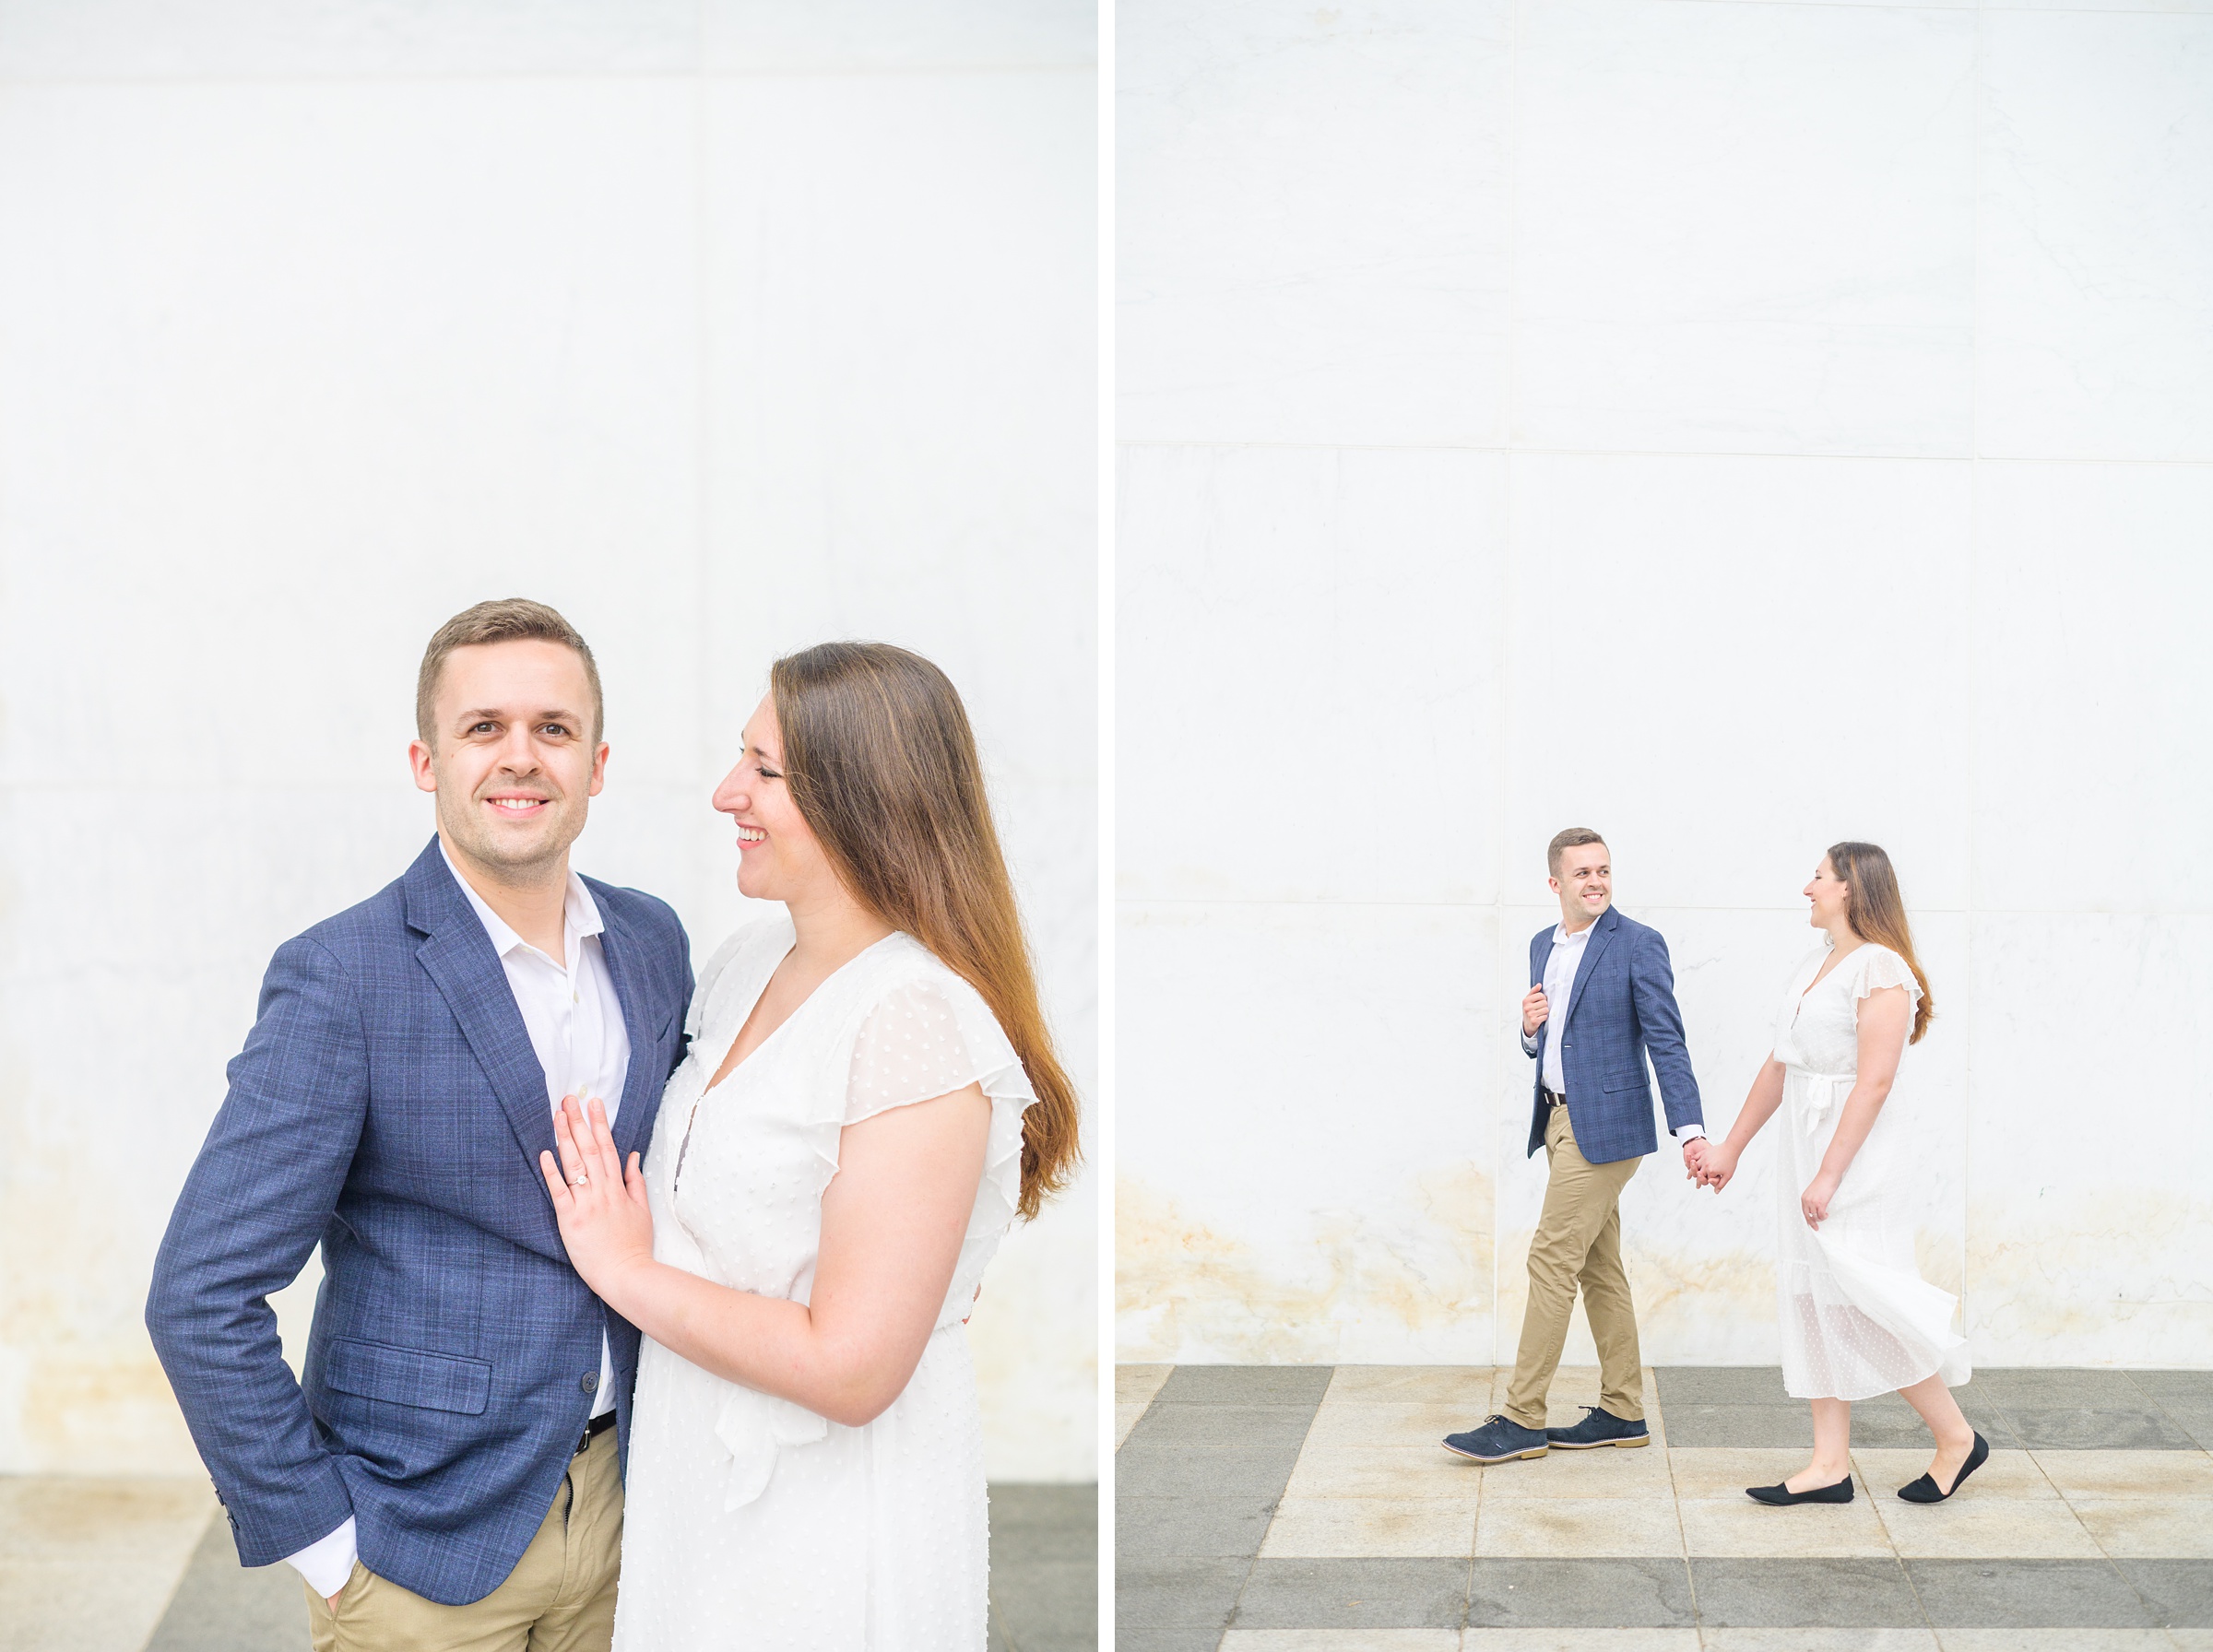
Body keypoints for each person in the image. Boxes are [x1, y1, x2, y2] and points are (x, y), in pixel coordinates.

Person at [146, 599, 695, 1649]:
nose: (521, 757)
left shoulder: (652, 940)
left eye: (554, 728)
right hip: (416, 1550)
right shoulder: (343, 976)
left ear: (598, 760)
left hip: (632, 1520)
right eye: (483, 727)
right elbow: (199, 1292)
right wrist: (322, 1541)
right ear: (425, 759)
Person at [538, 641, 1081, 1651]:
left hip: (828, 1530)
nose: (724, 792)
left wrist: (623, 1270)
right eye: (739, 756)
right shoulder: (748, 964)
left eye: (765, 770)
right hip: (700, 1498)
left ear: (861, 798)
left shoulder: (914, 1017)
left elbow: (853, 1368)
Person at [1695, 842, 1982, 1505]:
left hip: (1854, 1158)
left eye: (1818, 877)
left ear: (1851, 887)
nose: (1808, 888)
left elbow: (1876, 1081)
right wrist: (1731, 1148)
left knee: (1862, 1297)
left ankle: (1957, 1437)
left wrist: (1828, 1174)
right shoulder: (1818, 963)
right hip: (1807, 1143)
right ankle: (1829, 1464)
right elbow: (1781, 1065)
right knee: (1814, 1297)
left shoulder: (1880, 968)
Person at [1445, 829, 1708, 1465]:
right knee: (1597, 1267)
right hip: (1558, 1123)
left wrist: (1691, 1130)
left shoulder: (1638, 944)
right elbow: (1552, 1040)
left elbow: (1666, 1042)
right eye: (1582, 872)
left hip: (1609, 1130)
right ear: (1555, 884)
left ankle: (1522, 1418)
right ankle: (1623, 1408)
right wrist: (1529, 1030)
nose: (1596, 881)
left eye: (1604, 870)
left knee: (1550, 1259)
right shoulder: (1545, 945)